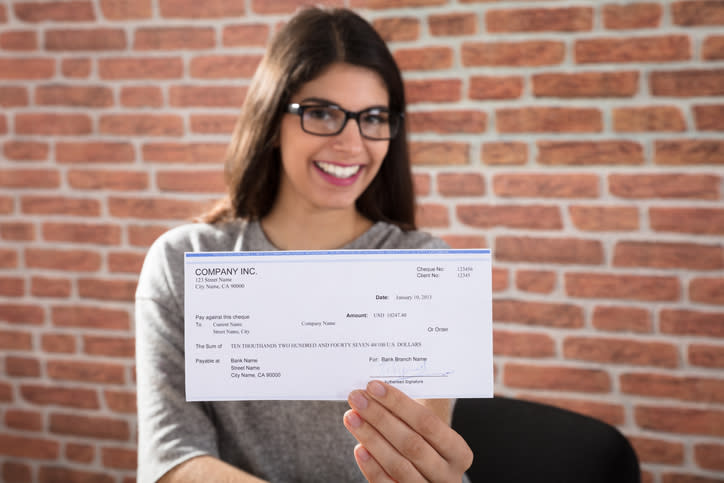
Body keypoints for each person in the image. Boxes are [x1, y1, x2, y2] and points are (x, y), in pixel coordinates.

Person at [135, 7, 473, 482]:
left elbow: (416, 457)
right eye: (321, 113)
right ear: (273, 120)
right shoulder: (182, 263)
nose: (352, 144)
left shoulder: (424, 266)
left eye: (373, 118)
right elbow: (172, 461)